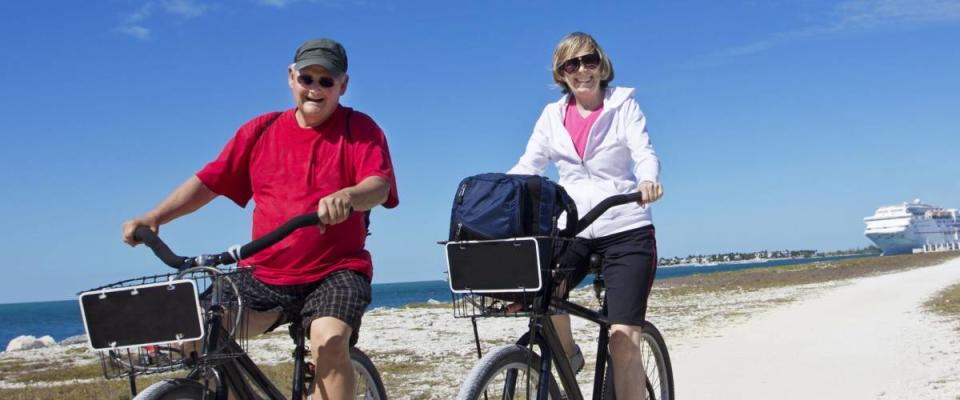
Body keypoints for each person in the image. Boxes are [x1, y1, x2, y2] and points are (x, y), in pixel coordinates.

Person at [121, 38, 399, 399]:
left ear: (342, 86)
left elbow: (378, 185)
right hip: (264, 273)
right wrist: (156, 216)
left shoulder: (359, 128)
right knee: (190, 333)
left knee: (328, 342)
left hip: (337, 271)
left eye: (326, 82)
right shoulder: (261, 130)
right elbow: (210, 181)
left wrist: (349, 196)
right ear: (291, 77)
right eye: (306, 79)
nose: (314, 89)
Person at [507, 32, 662, 399]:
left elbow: (644, 151)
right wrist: (499, 190)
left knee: (623, 340)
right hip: (574, 226)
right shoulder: (552, 115)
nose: (582, 71)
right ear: (562, 73)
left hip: (626, 226)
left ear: (600, 63)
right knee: (541, 292)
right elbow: (530, 164)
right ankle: (569, 352)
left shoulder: (623, 105)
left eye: (588, 60)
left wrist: (648, 180)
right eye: (571, 64)